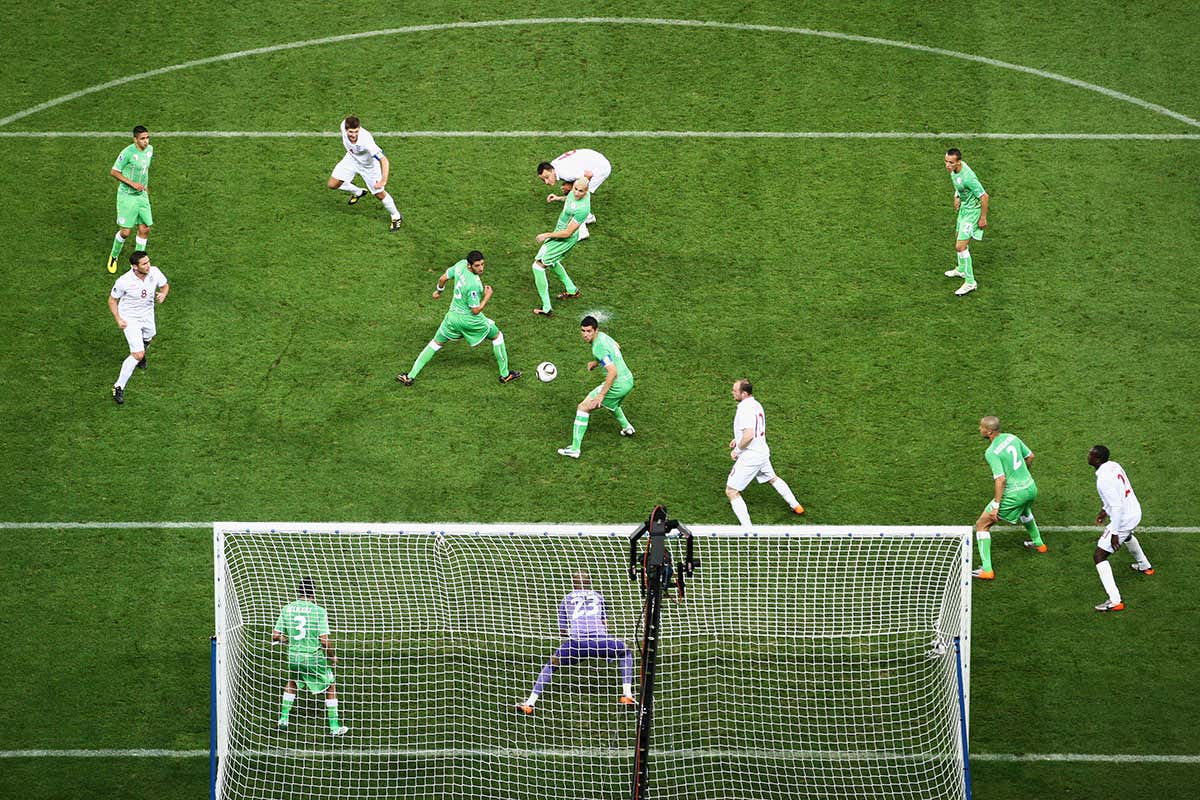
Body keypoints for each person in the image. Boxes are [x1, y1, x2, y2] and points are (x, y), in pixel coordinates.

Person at [517, 570, 634, 714]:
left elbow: (562, 631)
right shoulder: (598, 597)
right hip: (601, 642)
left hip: (576, 644)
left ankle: (530, 703)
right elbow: (605, 623)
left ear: (573, 584)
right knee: (625, 652)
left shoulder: (566, 599)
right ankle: (627, 694)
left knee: (552, 663)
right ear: (589, 583)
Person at [396, 251, 521, 385]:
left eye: (482, 264)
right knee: (497, 336)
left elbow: (443, 278)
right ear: (469, 265)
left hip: (452, 318)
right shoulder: (473, 284)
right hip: (471, 321)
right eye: (477, 265)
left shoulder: (460, 265)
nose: (481, 268)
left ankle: (410, 376)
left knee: (435, 343)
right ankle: (505, 375)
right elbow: (475, 310)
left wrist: (439, 291)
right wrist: (487, 296)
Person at [272, 577, 349, 736]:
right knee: (330, 685)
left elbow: (275, 635)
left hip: (294, 657)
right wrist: (332, 657)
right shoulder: (319, 611)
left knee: (293, 682)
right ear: (313, 593)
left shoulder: (287, 608)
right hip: (313, 658)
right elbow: (324, 640)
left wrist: (286, 640)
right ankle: (334, 727)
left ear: (299, 591)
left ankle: (284, 719)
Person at [725, 380, 805, 526]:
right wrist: (737, 439)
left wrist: (737, 450)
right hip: (762, 451)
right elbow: (754, 429)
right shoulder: (756, 404)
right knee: (772, 478)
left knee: (731, 491)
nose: (732, 392)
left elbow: (749, 435)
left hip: (751, 456)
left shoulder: (744, 409)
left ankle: (747, 529)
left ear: (744, 393)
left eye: (735, 391)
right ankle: (796, 506)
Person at [972, 416, 1044, 580]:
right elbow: (1030, 456)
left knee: (982, 524)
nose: (979, 429)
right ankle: (1039, 544)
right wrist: (1021, 475)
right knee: (1025, 510)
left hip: (1014, 494)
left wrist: (996, 504)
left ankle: (987, 570)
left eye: (981, 427)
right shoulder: (1012, 437)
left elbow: (1001, 479)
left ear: (989, 431)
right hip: (1030, 487)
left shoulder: (991, 452)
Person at [557, 316, 634, 459]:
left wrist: (601, 395)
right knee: (612, 403)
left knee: (583, 407)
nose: (585, 334)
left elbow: (612, 372)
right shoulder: (604, 337)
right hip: (628, 380)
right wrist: (597, 362)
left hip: (617, 383)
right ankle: (627, 427)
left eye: (589, 331)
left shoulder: (598, 347)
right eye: (583, 331)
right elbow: (616, 346)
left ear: (595, 330)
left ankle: (575, 449)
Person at [1088, 445, 1154, 612]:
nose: (1088, 456)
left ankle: (1115, 600)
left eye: (1091, 454)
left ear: (1097, 459)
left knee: (1099, 555)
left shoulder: (1103, 479)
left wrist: (1115, 533)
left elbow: (1116, 506)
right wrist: (1104, 510)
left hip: (1124, 518)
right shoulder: (1114, 465)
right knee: (1128, 536)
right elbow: (1118, 492)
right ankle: (1145, 566)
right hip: (1134, 511)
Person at [107, 251, 168, 405]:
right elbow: (112, 301)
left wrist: (163, 294)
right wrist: (118, 319)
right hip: (130, 319)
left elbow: (165, 285)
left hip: (147, 315)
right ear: (135, 267)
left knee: (150, 336)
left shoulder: (154, 272)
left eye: (148, 262)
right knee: (138, 353)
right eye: (144, 264)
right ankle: (118, 386)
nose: (148, 266)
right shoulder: (124, 281)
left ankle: (141, 353)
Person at [327, 116, 403, 231]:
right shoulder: (343, 125)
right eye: (351, 132)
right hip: (351, 160)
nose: (353, 135)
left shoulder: (366, 141)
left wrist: (383, 180)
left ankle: (396, 216)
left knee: (379, 194)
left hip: (369, 167)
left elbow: (384, 161)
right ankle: (358, 192)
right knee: (332, 184)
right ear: (346, 129)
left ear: (360, 128)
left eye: (356, 131)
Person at [532, 178, 591, 317]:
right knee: (551, 261)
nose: (576, 193)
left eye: (580, 191)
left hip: (564, 237)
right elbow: (570, 199)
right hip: (559, 233)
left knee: (538, 265)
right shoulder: (575, 193)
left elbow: (568, 232)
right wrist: (558, 198)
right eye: (575, 189)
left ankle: (547, 308)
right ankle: (571, 290)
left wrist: (547, 235)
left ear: (586, 192)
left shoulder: (583, 208)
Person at [107, 126, 154, 273]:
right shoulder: (127, 153)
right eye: (142, 138)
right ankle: (114, 256)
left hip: (141, 195)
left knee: (145, 229)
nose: (146, 141)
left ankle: (137, 264)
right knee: (126, 232)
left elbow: (144, 170)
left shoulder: (150, 150)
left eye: (147, 138)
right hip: (127, 196)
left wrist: (145, 186)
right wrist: (132, 183)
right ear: (135, 139)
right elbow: (114, 172)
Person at [942, 148, 989, 296]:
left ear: (958, 162)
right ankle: (962, 269)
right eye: (946, 161)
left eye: (951, 163)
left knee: (960, 246)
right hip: (964, 209)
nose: (947, 165)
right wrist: (957, 196)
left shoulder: (968, 177)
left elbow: (984, 196)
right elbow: (958, 185)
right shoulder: (955, 171)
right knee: (958, 236)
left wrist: (982, 218)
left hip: (973, 212)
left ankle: (970, 282)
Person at [537, 148, 611, 240]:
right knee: (573, 191)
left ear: (552, 170)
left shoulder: (566, 173)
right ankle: (589, 217)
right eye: (543, 179)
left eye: (547, 177)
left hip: (599, 168)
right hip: (594, 160)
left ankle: (583, 232)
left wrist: (571, 188)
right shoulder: (554, 166)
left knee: (578, 197)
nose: (546, 182)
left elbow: (587, 176)